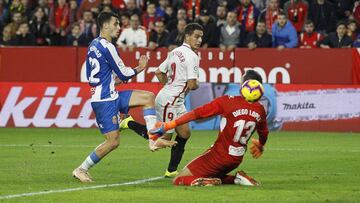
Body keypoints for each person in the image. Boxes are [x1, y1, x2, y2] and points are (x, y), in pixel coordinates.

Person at [72, 12, 176, 183]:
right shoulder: (108, 46)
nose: (119, 28)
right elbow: (124, 72)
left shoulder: (93, 44)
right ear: (105, 25)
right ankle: (81, 169)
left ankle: (152, 139)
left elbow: (95, 75)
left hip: (109, 93)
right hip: (104, 100)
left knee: (148, 97)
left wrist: (112, 81)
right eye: (116, 24)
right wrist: (140, 67)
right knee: (113, 142)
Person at [150, 70, 269, 186]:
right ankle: (237, 179)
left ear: (245, 85)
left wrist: (169, 125)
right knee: (213, 173)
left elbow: (196, 114)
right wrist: (261, 144)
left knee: (179, 179)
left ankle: (207, 182)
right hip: (236, 159)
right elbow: (264, 132)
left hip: (219, 156)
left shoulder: (227, 101)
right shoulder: (260, 109)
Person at [120, 23, 204, 178]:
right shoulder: (193, 56)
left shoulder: (175, 51)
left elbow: (159, 72)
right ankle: (128, 123)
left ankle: (171, 170)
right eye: (196, 36)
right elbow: (192, 85)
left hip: (173, 100)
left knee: (185, 133)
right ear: (187, 36)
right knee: (160, 139)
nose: (199, 40)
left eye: (201, 37)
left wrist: (170, 86)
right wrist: (196, 84)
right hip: (169, 102)